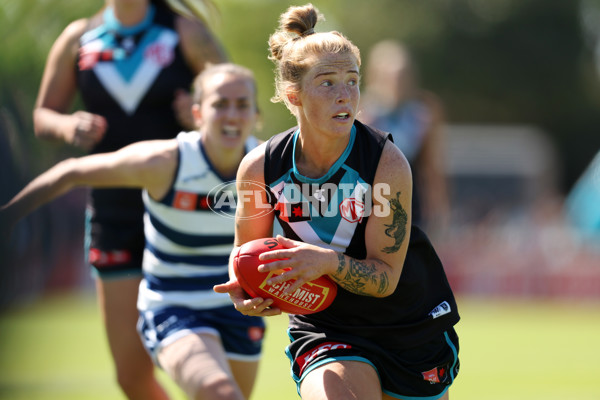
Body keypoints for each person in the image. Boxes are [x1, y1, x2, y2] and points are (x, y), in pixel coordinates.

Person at [214, 4, 460, 400]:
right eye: (327, 83)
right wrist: (245, 284)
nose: (345, 95)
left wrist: (323, 261)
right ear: (293, 95)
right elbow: (245, 249)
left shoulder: (386, 162)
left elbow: (384, 278)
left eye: (352, 80)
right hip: (326, 327)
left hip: (405, 324)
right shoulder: (259, 167)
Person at [2, 63, 264, 400]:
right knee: (220, 394)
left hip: (239, 308)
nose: (232, 114)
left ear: (256, 114)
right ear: (197, 113)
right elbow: (70, 172)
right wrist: (8, 216)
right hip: (174, 306)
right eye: (220, 104)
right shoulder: (165, 162)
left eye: (242, 105)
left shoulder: (267, 164)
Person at [31, 0, 227, 398]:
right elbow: (43, 116)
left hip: (184, 214)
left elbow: (239, 105)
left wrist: (203, 115)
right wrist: (68, 126)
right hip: (112, 215)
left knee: (211, 369)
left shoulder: (185, 32)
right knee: (131, 377)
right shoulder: (78, 38)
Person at [360, 40, 449, 233]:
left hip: (411, 205)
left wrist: (440, 210)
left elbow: (431, 166)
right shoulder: (361, 113)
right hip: (371, 204)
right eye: (390, 76)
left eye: (401, 76)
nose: (396, 83)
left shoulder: (422, 113)